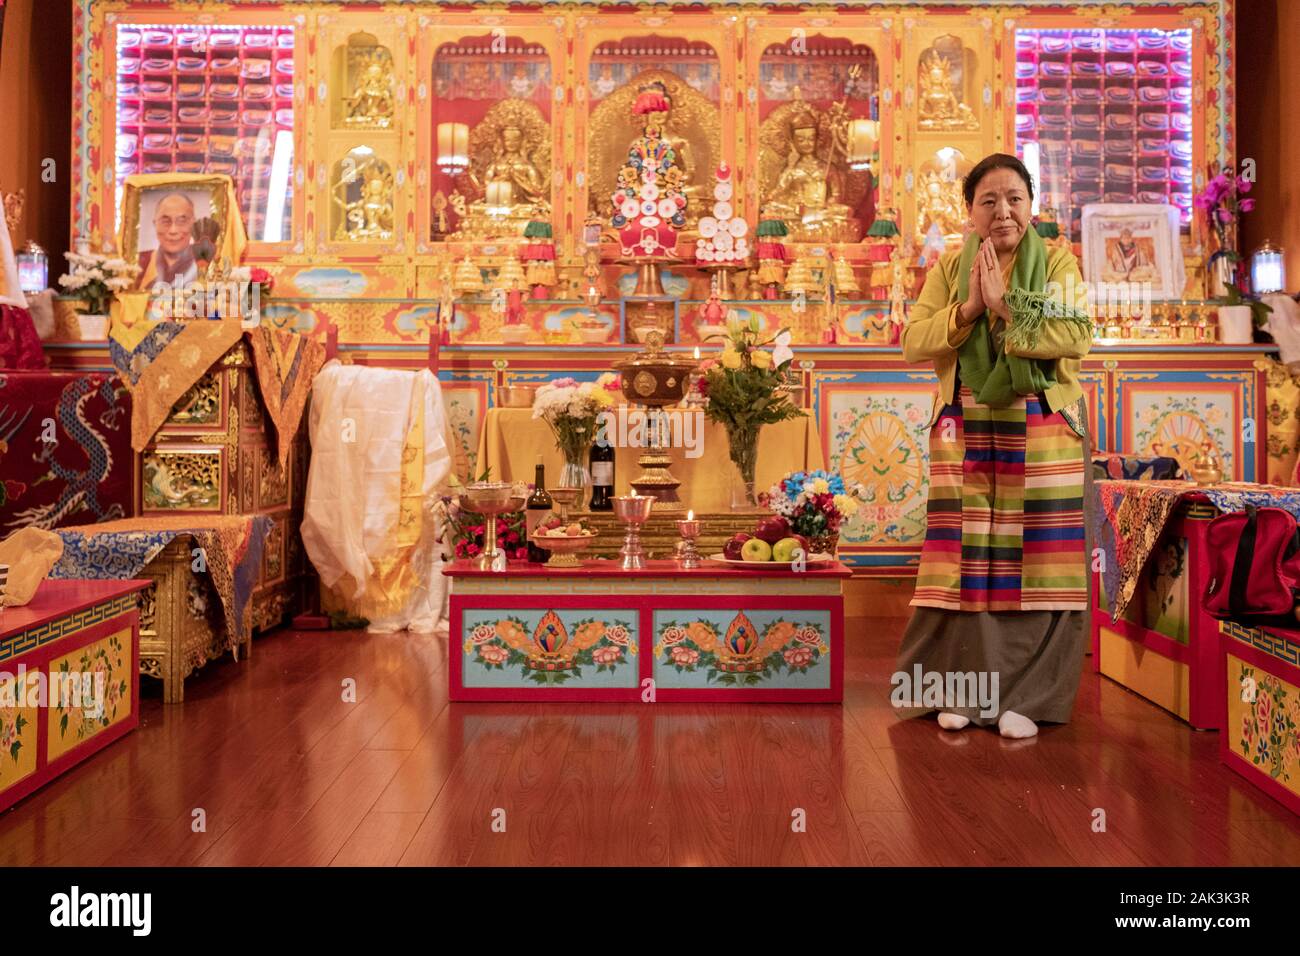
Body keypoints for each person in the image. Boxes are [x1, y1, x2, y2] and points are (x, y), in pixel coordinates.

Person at [896, 153, 1095, 739]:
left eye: (1014, 198)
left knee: (1039, 563)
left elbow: (1076, 335)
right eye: (989, 200)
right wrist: (971, 308)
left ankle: (1031, 699)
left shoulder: (1057, 261)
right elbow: (913, 340)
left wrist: (1008, 309)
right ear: (970, 212)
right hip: (966, 422)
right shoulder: (951, 265)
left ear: (1032, 205)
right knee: (967, 560)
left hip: (1042, 424)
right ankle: (961, 690)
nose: (1003, 211)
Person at [137, 192, 198, 289]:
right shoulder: (139, 263)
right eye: (165, 221)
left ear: (194, 225)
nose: (173, 230)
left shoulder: (206, 264)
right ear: (155, 224)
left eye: (182, 221)